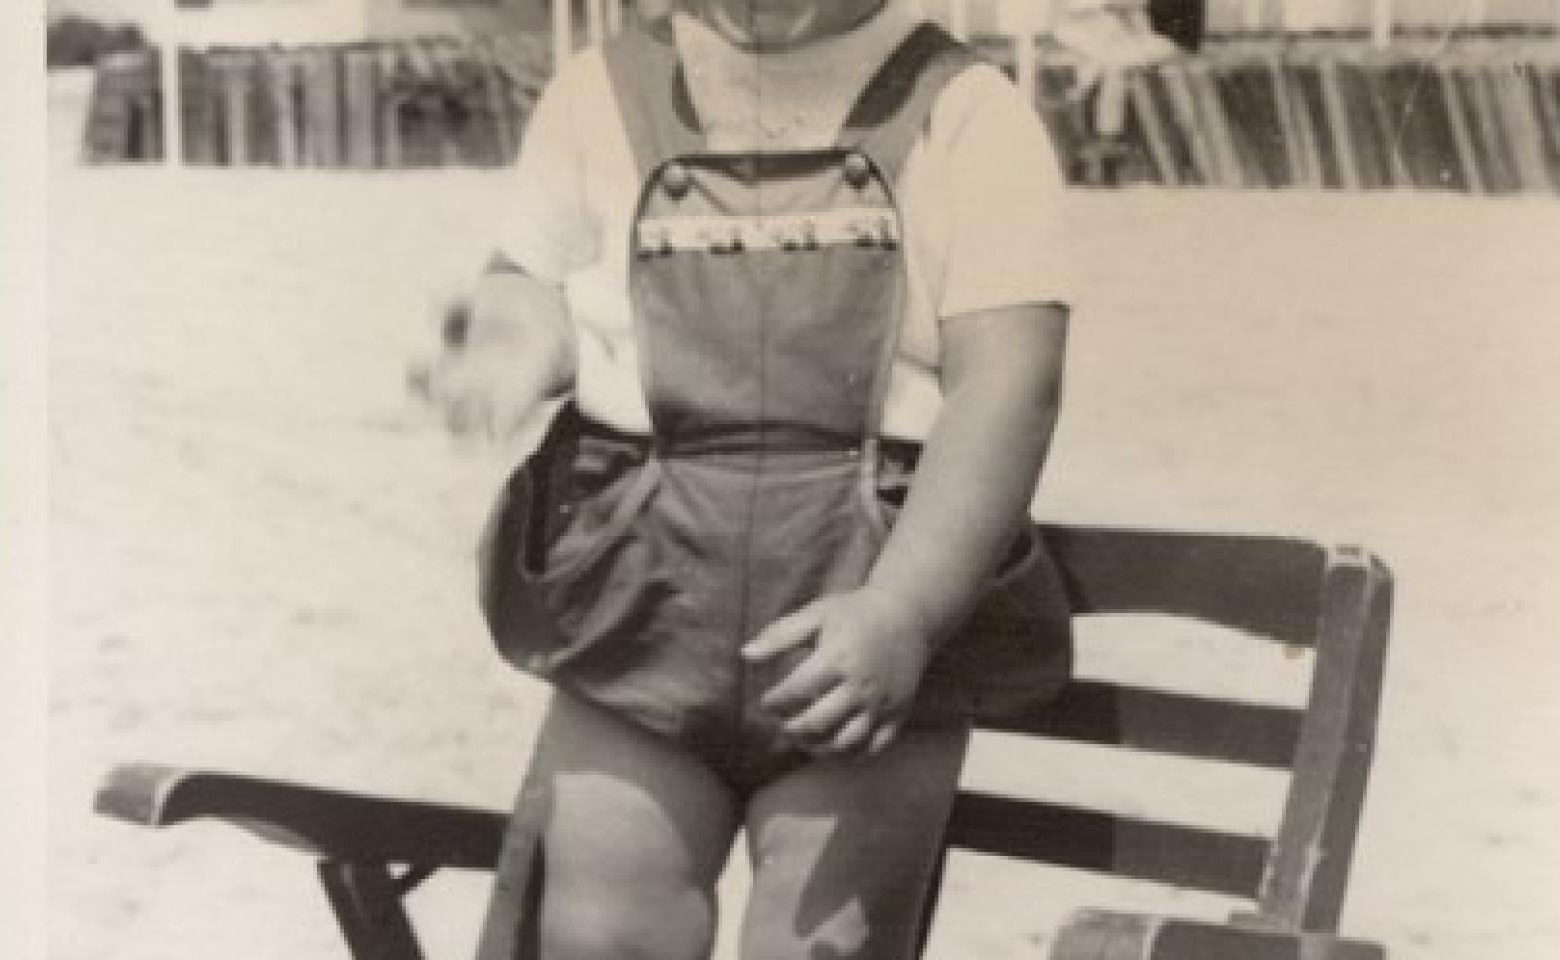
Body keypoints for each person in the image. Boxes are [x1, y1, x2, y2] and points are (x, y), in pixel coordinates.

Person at [421, 2, 1075, 957]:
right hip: (642, 604)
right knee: (602, 932)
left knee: (823, 938)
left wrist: (905, 613)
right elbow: (534, 279)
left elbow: (1009, 386)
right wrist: (514, 346)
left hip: (861, 607)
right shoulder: (602, 94)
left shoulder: (965, 114)